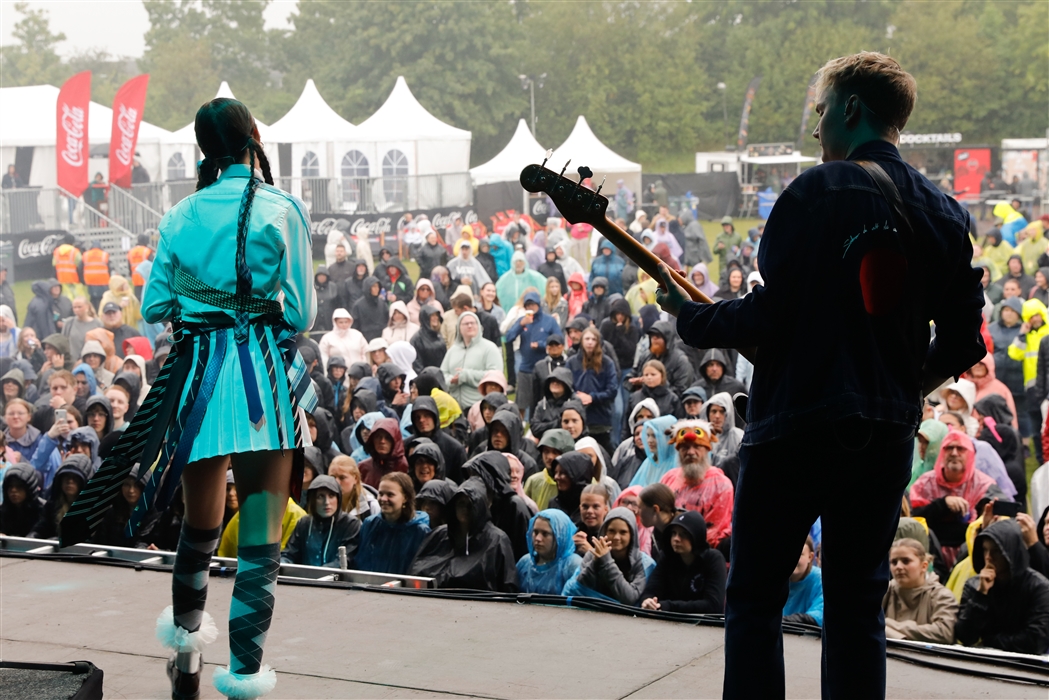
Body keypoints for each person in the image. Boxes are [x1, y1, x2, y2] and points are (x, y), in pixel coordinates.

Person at [655, 53, 985, 698]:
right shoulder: (945, 213)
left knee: (753, 595)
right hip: (884, 436)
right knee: (858, 603)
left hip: (794, 428)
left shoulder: (815, 191)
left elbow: (772, 315)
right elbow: (965, 340)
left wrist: (695, 318)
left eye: (822, 110)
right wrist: (898, 388)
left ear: (852, 109)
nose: (816, 128)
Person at [56, 99, 319, 700]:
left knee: (197, 534)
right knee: (259, 546)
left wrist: (205, 305)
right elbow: (301, 312)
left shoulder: (178, 216)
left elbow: (153, 308)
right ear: (254, 136)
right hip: (262, 388)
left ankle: (186, 666)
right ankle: (246, 678)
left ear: (204, 151)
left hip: (197, 385)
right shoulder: (282, 209)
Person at [910, 431, 1007, 566]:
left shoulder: (985, 485)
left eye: (960, 448)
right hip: (929, 557)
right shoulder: (924, 483)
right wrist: (942, 504)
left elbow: (995, 523)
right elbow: (913, 518)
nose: (954, 453)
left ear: (970, 454)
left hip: (972, 556)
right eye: (949, 448)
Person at [954, 520, 1049, 654]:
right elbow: (965, 635)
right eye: (985, 550)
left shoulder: (1038, 587)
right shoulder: (975, 585)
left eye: (996, 551)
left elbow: (1036, 640)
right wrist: (980, 595)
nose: (988, 557)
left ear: (1011, 552)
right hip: (982, 661)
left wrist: (989, 642)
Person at [409, 478, 518, 591]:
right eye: (461, 504)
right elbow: (415, 571)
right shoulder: (438, 535)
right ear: (454, 506)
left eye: (470, 505)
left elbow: (508, 585)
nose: (465, 510)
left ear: (479, 507)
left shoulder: (497, 540)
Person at [658, 420, 734, 555]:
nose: (691, 452)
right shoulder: (668, 478)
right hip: (670, 553)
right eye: (685, 447)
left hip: (704, 556)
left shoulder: (721, 484)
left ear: (707, 449)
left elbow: (716, 531)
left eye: (697, 446)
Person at [562, 506, 656, 604]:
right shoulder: (593, 554)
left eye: (623, 532)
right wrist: (596, 561)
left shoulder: (644, 563)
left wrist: (606, 562)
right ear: (604, 531)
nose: (616, 537)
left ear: (632, 535)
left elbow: (630, 598)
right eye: (611, 531)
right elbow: (580, 587)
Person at [640, 510, 726, 613]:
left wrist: (668, 606)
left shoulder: (713, 559)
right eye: (673, 533)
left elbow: (713, 605)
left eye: (684, 534)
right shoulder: (667, 557)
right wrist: (649, 602)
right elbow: (650, 591)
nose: (676, 539)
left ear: (696, 536)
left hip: (703, 625)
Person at [882, 537, 958, 643]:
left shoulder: (941, 595)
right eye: (894, 562)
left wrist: (888, 625)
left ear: (924, 566)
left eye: (906, 561)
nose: (898, 567)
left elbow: (945, 632)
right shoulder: (884, 590)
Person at [354, 472, 430, 575]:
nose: (383, 499)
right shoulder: (369, 524)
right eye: (380, 494)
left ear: (405, 498)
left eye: (390, 495)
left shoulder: (420, 531)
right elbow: (360, 563)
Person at [281, 475, 361, 568]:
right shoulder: (304, 523)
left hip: (337, 581)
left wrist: (318, 574)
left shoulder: (350, 524)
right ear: (312, 500)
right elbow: (289, 553)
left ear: (338, 499)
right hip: (304, 580)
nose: (326, 502)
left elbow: (346, 560)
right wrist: (283, 563)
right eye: (320, 496)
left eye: (331, 496)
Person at [568, 327, 618, 452]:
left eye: (593, 339)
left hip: (600, 417)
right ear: (582, 341)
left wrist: (592, 397)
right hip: (578, 417)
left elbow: (612, 390)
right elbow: (567, 386)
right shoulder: (572, 362)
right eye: (587, 339)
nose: (590, 342)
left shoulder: (607, 363)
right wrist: (577, 397)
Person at [440, 312, 502, 410]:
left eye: (473, 323)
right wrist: (451, 381)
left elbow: (495, 376)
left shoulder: (489, 348)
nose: (470, 326)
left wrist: (466, 376)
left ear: (479, 326)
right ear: (459, 328)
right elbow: (442, 374)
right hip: (455, 408)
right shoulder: (453, 350)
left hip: (481, 407)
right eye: (465, 323)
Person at [516, 508, 583, 594]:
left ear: (560, 536)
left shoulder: (572, 566)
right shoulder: (525, 562)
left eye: (545, 534)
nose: (538, 538)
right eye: (535, 532)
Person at [782, 537, 825, 627]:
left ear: (810, 557)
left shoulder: (820, 580)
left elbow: (819, 615)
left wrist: (782, 621)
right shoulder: (771, 578)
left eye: (799, 554)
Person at [357, 417, 409, 488]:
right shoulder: (363, 467)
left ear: (395, 440)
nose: (382, 441)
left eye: (387, 437)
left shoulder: (404, 465)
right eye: (378, 437)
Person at [1, 462, 46, 536]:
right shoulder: (3, 511)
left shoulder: (44, 511)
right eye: (10, 486)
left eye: (19, 486)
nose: (13, 490)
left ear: (29, 488)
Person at [351, 276, 389, 342]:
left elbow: (387, 320)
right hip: (365, 339)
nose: (376, 289)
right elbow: (355, 326)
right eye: (374, 286)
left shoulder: (382, 303)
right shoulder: (358, 305)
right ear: (368, 288)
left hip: (381, 338)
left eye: (378, 286)